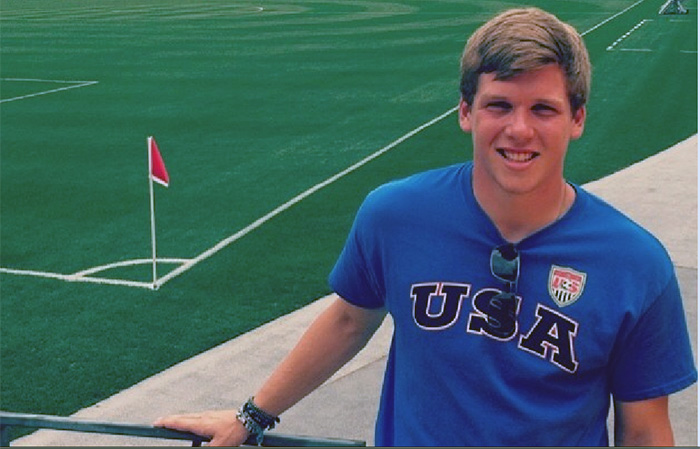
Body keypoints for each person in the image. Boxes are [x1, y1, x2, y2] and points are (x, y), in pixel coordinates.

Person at [155, 7, 697, 446]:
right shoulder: (395, 215)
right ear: (466, 112)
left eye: (544, 109)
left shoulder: (635, 264)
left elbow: (645, 430)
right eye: (499, 105)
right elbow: (348, 320)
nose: (519, 129)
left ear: (577, 119)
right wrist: (250, 418)